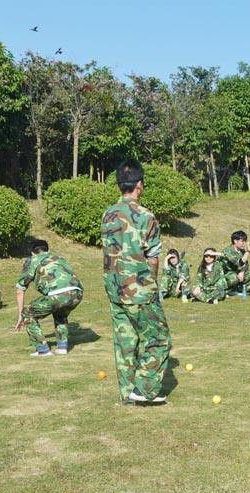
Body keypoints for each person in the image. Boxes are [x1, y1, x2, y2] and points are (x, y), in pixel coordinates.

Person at [102, 160, 172, 404]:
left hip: (113, 286)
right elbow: (153, 257)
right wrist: (152, 286)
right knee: (159, 338)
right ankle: (145, 390)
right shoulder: (146, 216)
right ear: (139, 185)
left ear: (119, 184)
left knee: (125, 340)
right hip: (138, 288)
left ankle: (128, 393)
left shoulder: (107, 214)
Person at [14, 239, 83, 356]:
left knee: (28, 313)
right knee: (60, 313)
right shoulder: (59, 258)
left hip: (58, 294)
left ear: (32, 252)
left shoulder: (32, 260)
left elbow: (20, 290)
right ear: (48, 250)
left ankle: (43, 349)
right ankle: (62, 347)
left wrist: (21, 315)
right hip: (78, 293)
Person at [220, 230, 250, 296]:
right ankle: (226, 290)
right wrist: (248, 252)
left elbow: (246, 264)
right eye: (242, 241)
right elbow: (240, 263)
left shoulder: (241, 251)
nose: (244, 243)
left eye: (245, 241)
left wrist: (242, 272)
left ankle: (237, 287)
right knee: (234, 278)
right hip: (224, 274)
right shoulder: (228, 251)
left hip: (235, 272)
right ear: (235, 241)